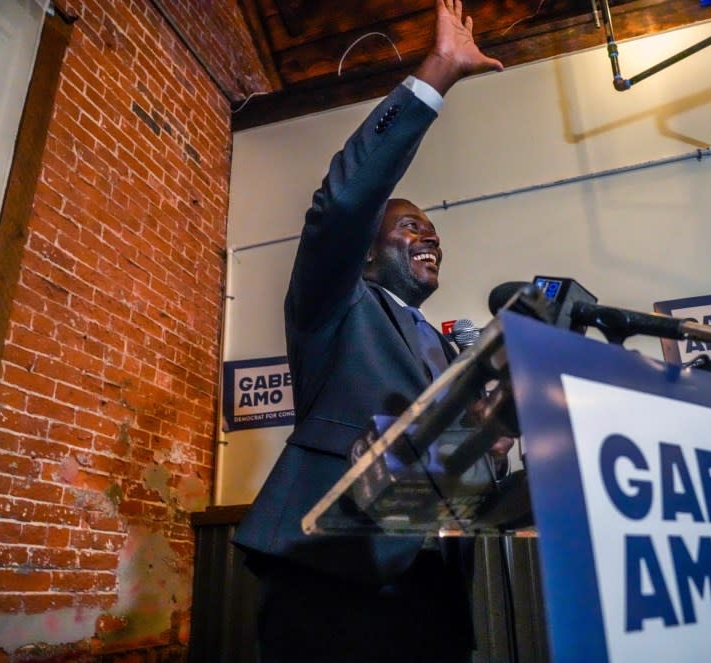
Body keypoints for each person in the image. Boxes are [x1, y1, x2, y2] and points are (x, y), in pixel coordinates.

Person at [233, 2, 506, 661]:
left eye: (431, 229)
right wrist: (436, 73)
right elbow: (345, 200)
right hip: (333, 580)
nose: (427, 234)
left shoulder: (446, 349)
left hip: (437, 591)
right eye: (408, 227)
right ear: (364, 252)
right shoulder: (336, 306)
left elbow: (459, 468)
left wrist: (493, 447)